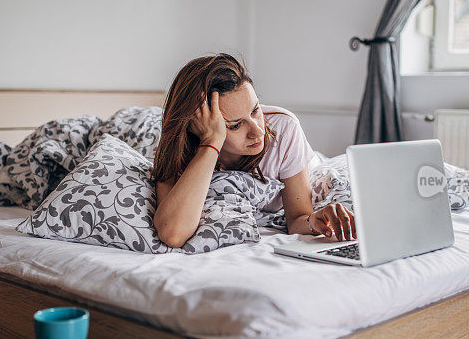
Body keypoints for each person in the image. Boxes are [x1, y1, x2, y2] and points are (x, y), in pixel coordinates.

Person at [151, 53, 356, 249]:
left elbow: (297, 220)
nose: (258, 131)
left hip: (313, 165)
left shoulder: (282, 128)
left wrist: (314, 221)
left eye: (255, 110)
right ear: (197, 125)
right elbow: (173, 234)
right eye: (235, 125)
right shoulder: (179, 147)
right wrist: (211, 144)